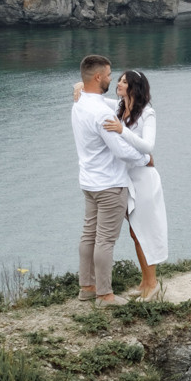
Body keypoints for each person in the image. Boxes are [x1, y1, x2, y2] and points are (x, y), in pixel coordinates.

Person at [71, 54, 149, 304]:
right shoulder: (101, 114)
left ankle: (87, 287)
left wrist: (78, 86)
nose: (111, 79)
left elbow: (89, 94)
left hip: (88, 183)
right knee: (105, 240)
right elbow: (121, 149)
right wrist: (145, 159)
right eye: (108, 75)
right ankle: (105, 295)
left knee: (88, 236)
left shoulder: (80, 103)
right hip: (110, 185)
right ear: (97, 77)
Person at [103, 69, 165, 300]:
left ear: (134, 88)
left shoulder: (147, 113)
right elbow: (96, 99)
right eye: (118, 80)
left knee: (143, 232)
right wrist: (79, 87)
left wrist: (122, 131)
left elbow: (148, 146)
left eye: (124, 82)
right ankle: (145, 281)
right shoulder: (119, 108)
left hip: (145, 178)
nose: (118, 84)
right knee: (134, 232)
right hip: (127, 177)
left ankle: (152, 284)